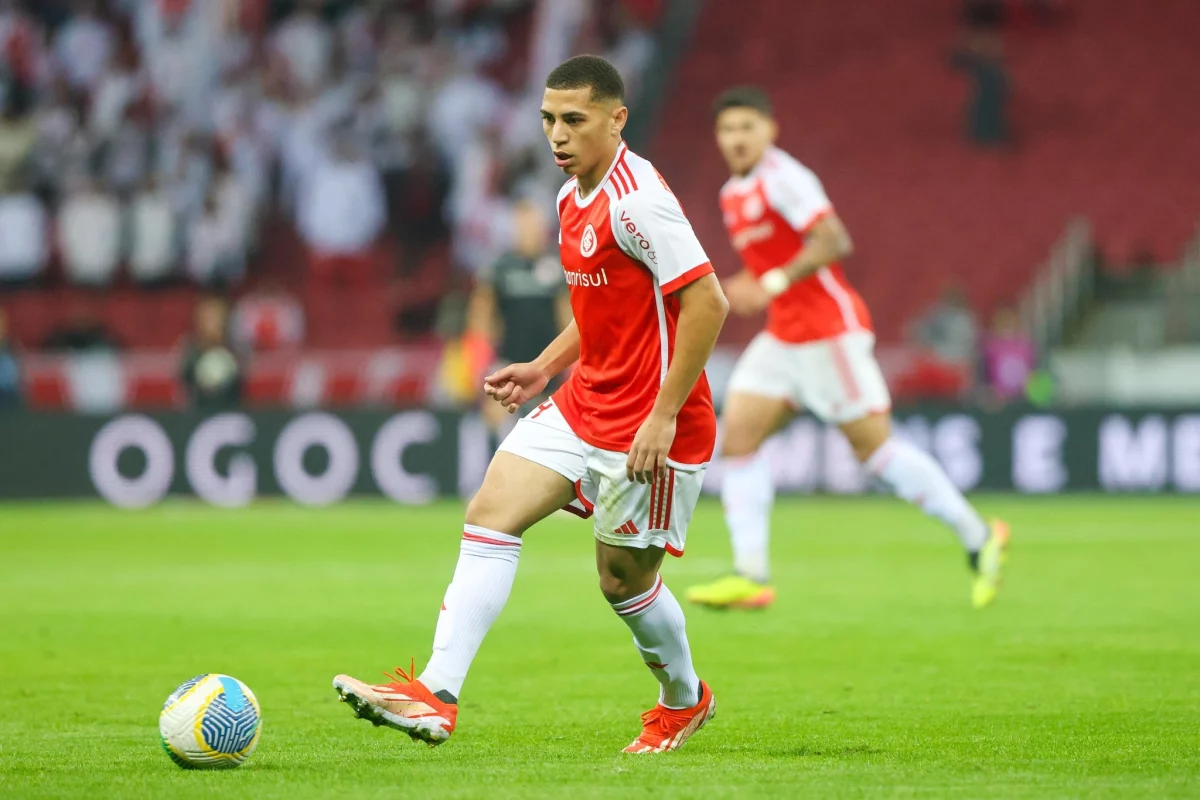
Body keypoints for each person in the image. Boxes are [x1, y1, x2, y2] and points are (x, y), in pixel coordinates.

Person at [333, 55, 729, 754]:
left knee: (622, 582)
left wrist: (663, 416)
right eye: (548, 120)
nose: (557, 135)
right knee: (491, 512)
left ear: (617, 119)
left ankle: (683, 699)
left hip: (650, 422)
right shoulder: (570, 196)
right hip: (584, 401)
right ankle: (435, 694)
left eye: (574, 120)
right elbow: (602, 309)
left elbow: (708, 302)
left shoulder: (637, 201)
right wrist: (545, 367)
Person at [686, 87, 1009, 612]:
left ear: (770, 131)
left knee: (876, 453)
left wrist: (771, 284)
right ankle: (752, 575)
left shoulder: (785, 178)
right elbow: (771, 261)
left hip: (828, 333)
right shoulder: (731, 194)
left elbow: (834, 240)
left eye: (747, 127)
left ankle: (979, 536)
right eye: (727, 129)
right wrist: (741, 285)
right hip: (784, 336)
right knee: (738, 438)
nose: (737, 138)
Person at [466, 197, 572, 437]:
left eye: (533, 224)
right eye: (523, 225)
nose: (529, 231)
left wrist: (568, 372)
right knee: (503, 436)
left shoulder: (557, 266)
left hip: (549, 371)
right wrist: (483, 373)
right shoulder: (499, 269)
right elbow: (480, 323)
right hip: (508, 371)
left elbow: (570, 321)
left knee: (547, 440)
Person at [179, 296, 242, 408]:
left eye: (216, 318)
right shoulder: (189, 354)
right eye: (207, 318)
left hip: (230, 411)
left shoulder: (237, 352)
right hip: (198, 412)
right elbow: (183, 391)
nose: (211, 323)